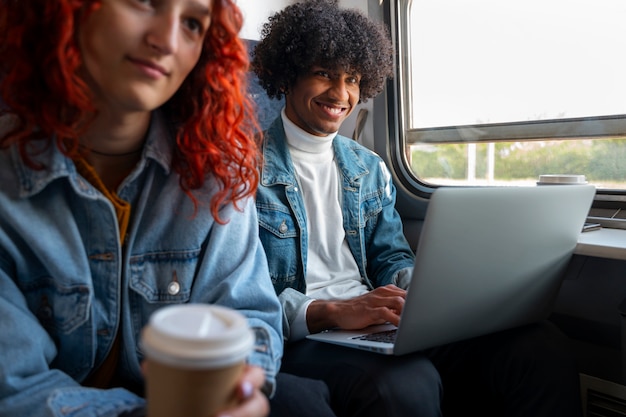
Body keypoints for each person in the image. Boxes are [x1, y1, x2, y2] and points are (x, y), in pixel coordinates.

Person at [251, 0, 584, 416]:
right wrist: (333, 311)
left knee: (538, 345)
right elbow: (242, 297)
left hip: (373, 321)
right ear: (288, 74)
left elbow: (389, 256)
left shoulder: (368, 167)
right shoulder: (240, 168)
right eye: (323, 74)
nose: (341, 94)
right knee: (404, 384)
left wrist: (433, 293)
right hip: (302, 333)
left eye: (352, 79)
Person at [0, 1, 286, 416]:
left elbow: (246, 312)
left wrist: (238, 385)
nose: (167, 41)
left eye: (191, 23)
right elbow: (13, 386)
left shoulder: (218, 174)